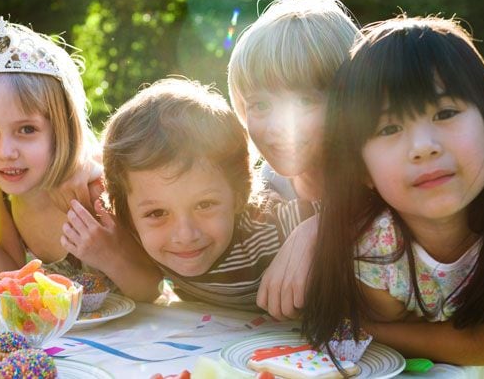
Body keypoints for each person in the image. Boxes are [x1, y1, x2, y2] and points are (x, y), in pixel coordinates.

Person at [302, 16, 484, 369]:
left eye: (445, 112)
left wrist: (370, 329)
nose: (423, 147)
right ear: (361, 168)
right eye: (389, 127)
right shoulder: (374, 248)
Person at [0, 18, 158, 299]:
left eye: (27, 129)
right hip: (61, 343)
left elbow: (152, 290)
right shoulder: (4, 194)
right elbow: (8, 283)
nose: (6, 152)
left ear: (61, 129)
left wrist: (108, 256)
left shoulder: (93, 190)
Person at [61, 78, 319, 311]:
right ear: (127, 214)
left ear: (239, 194)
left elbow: (351, 215)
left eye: (205, 205)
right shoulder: (135, 236)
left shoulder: (272, 229)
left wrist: (318, 228)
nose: (185, 235)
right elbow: (150, 292)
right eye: (158, 213)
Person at [226, 0, 359, 318]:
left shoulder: (387, 182)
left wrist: (322, 228)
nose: (278, 127)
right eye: (259, 104)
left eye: (304, 101)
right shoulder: (261, 192)